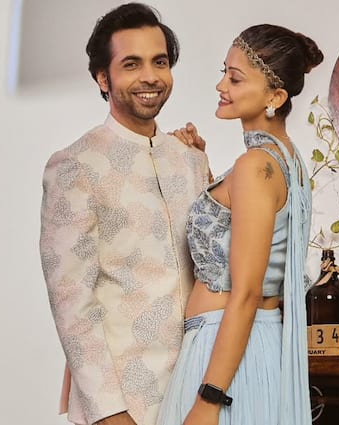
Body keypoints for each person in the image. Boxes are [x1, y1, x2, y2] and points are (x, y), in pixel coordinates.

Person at [39, 3, 209, 425]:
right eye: (131, 64)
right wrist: (109, 412)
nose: (150, 76)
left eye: (160, 62)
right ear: (103, 78)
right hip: (123, 402)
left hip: (196, 394)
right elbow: (72, 302)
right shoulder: (76, 165)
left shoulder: (189, 159)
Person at [155, 24, 323, 425]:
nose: (221, 86)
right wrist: (205, 168)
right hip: (253, 347)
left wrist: (209, 399)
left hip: (224, 354)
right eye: (224, 73)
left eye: (235, 78)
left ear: (275, 97)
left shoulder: (255, 167)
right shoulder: (286, 161)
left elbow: (246, 293)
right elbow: (241, 228)